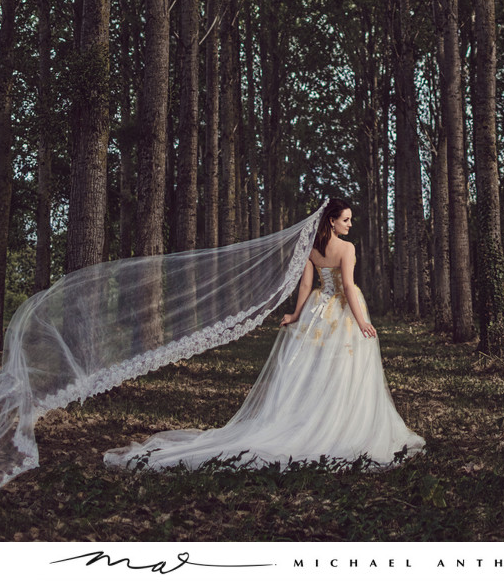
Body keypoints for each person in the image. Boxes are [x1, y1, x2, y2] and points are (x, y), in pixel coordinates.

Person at [103, 197, 424, 473]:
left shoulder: (313, 248)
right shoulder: (347, 249)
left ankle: (321, 421)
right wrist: (362, 321)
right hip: (341, 313)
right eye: (346, 219)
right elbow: (350, 289)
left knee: (319, 372)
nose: (350, 225)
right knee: (344, 372)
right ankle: (343, 427)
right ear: (332, 220)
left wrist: (298, 314)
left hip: (317, 312)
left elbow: (306, 286)